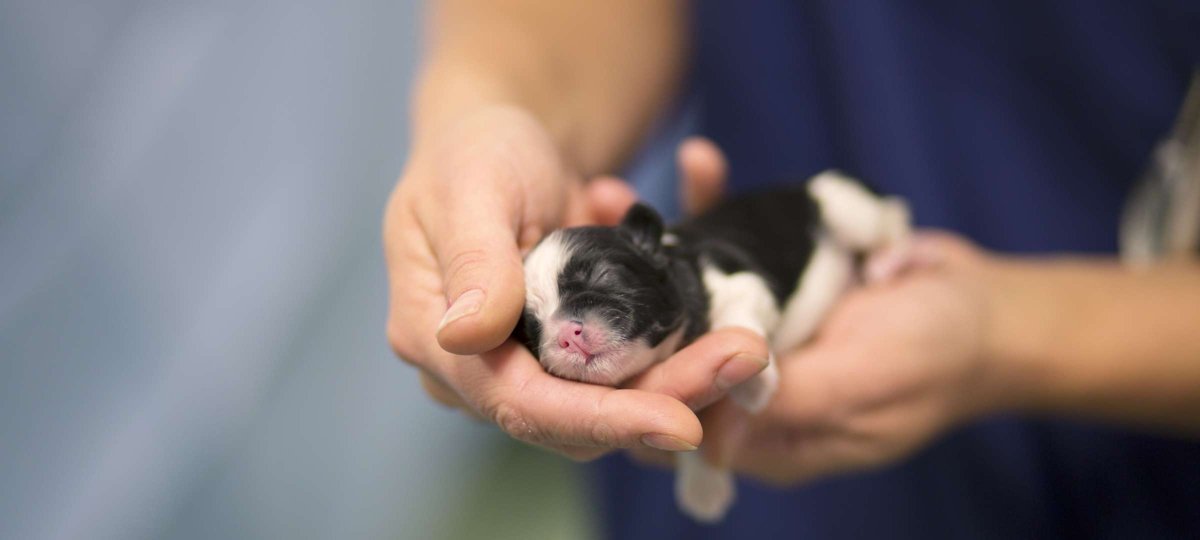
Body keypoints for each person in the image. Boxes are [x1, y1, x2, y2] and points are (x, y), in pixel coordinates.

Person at [383, 1, 1200, 537]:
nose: (564, 333)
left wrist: (1000, 332)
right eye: (535, 325)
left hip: (1122, 460)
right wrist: (496, 104)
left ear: (646, 251)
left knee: (840, 208)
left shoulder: (715, 291)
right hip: (731, 482)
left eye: (587, 294)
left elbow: (746, 318)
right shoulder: (653, 334)